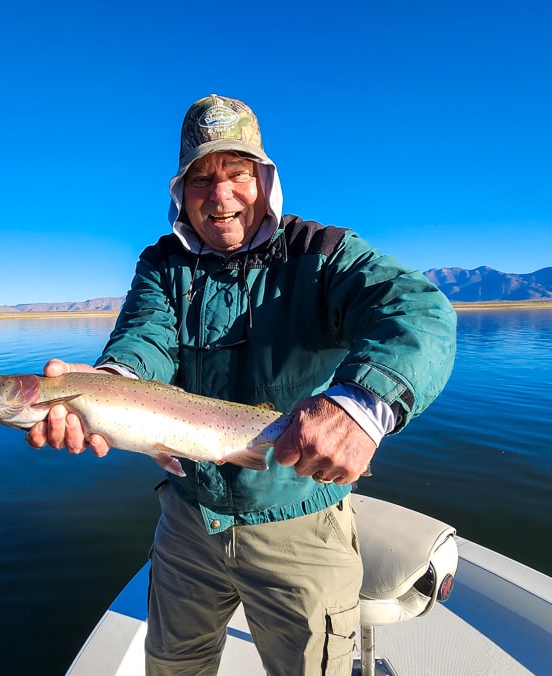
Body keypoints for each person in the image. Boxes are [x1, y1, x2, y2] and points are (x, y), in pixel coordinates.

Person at [26, 94, 456, 675]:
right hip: (188, 522)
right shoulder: (162, 266)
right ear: (181, 192)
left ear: (265, 179)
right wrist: (106, 385)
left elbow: (418, 311)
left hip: (299, 519)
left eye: (237, 173)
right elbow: (143, 341)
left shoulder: (322, 256)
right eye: (202, 177)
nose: (220, 194)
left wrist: (361, 405)